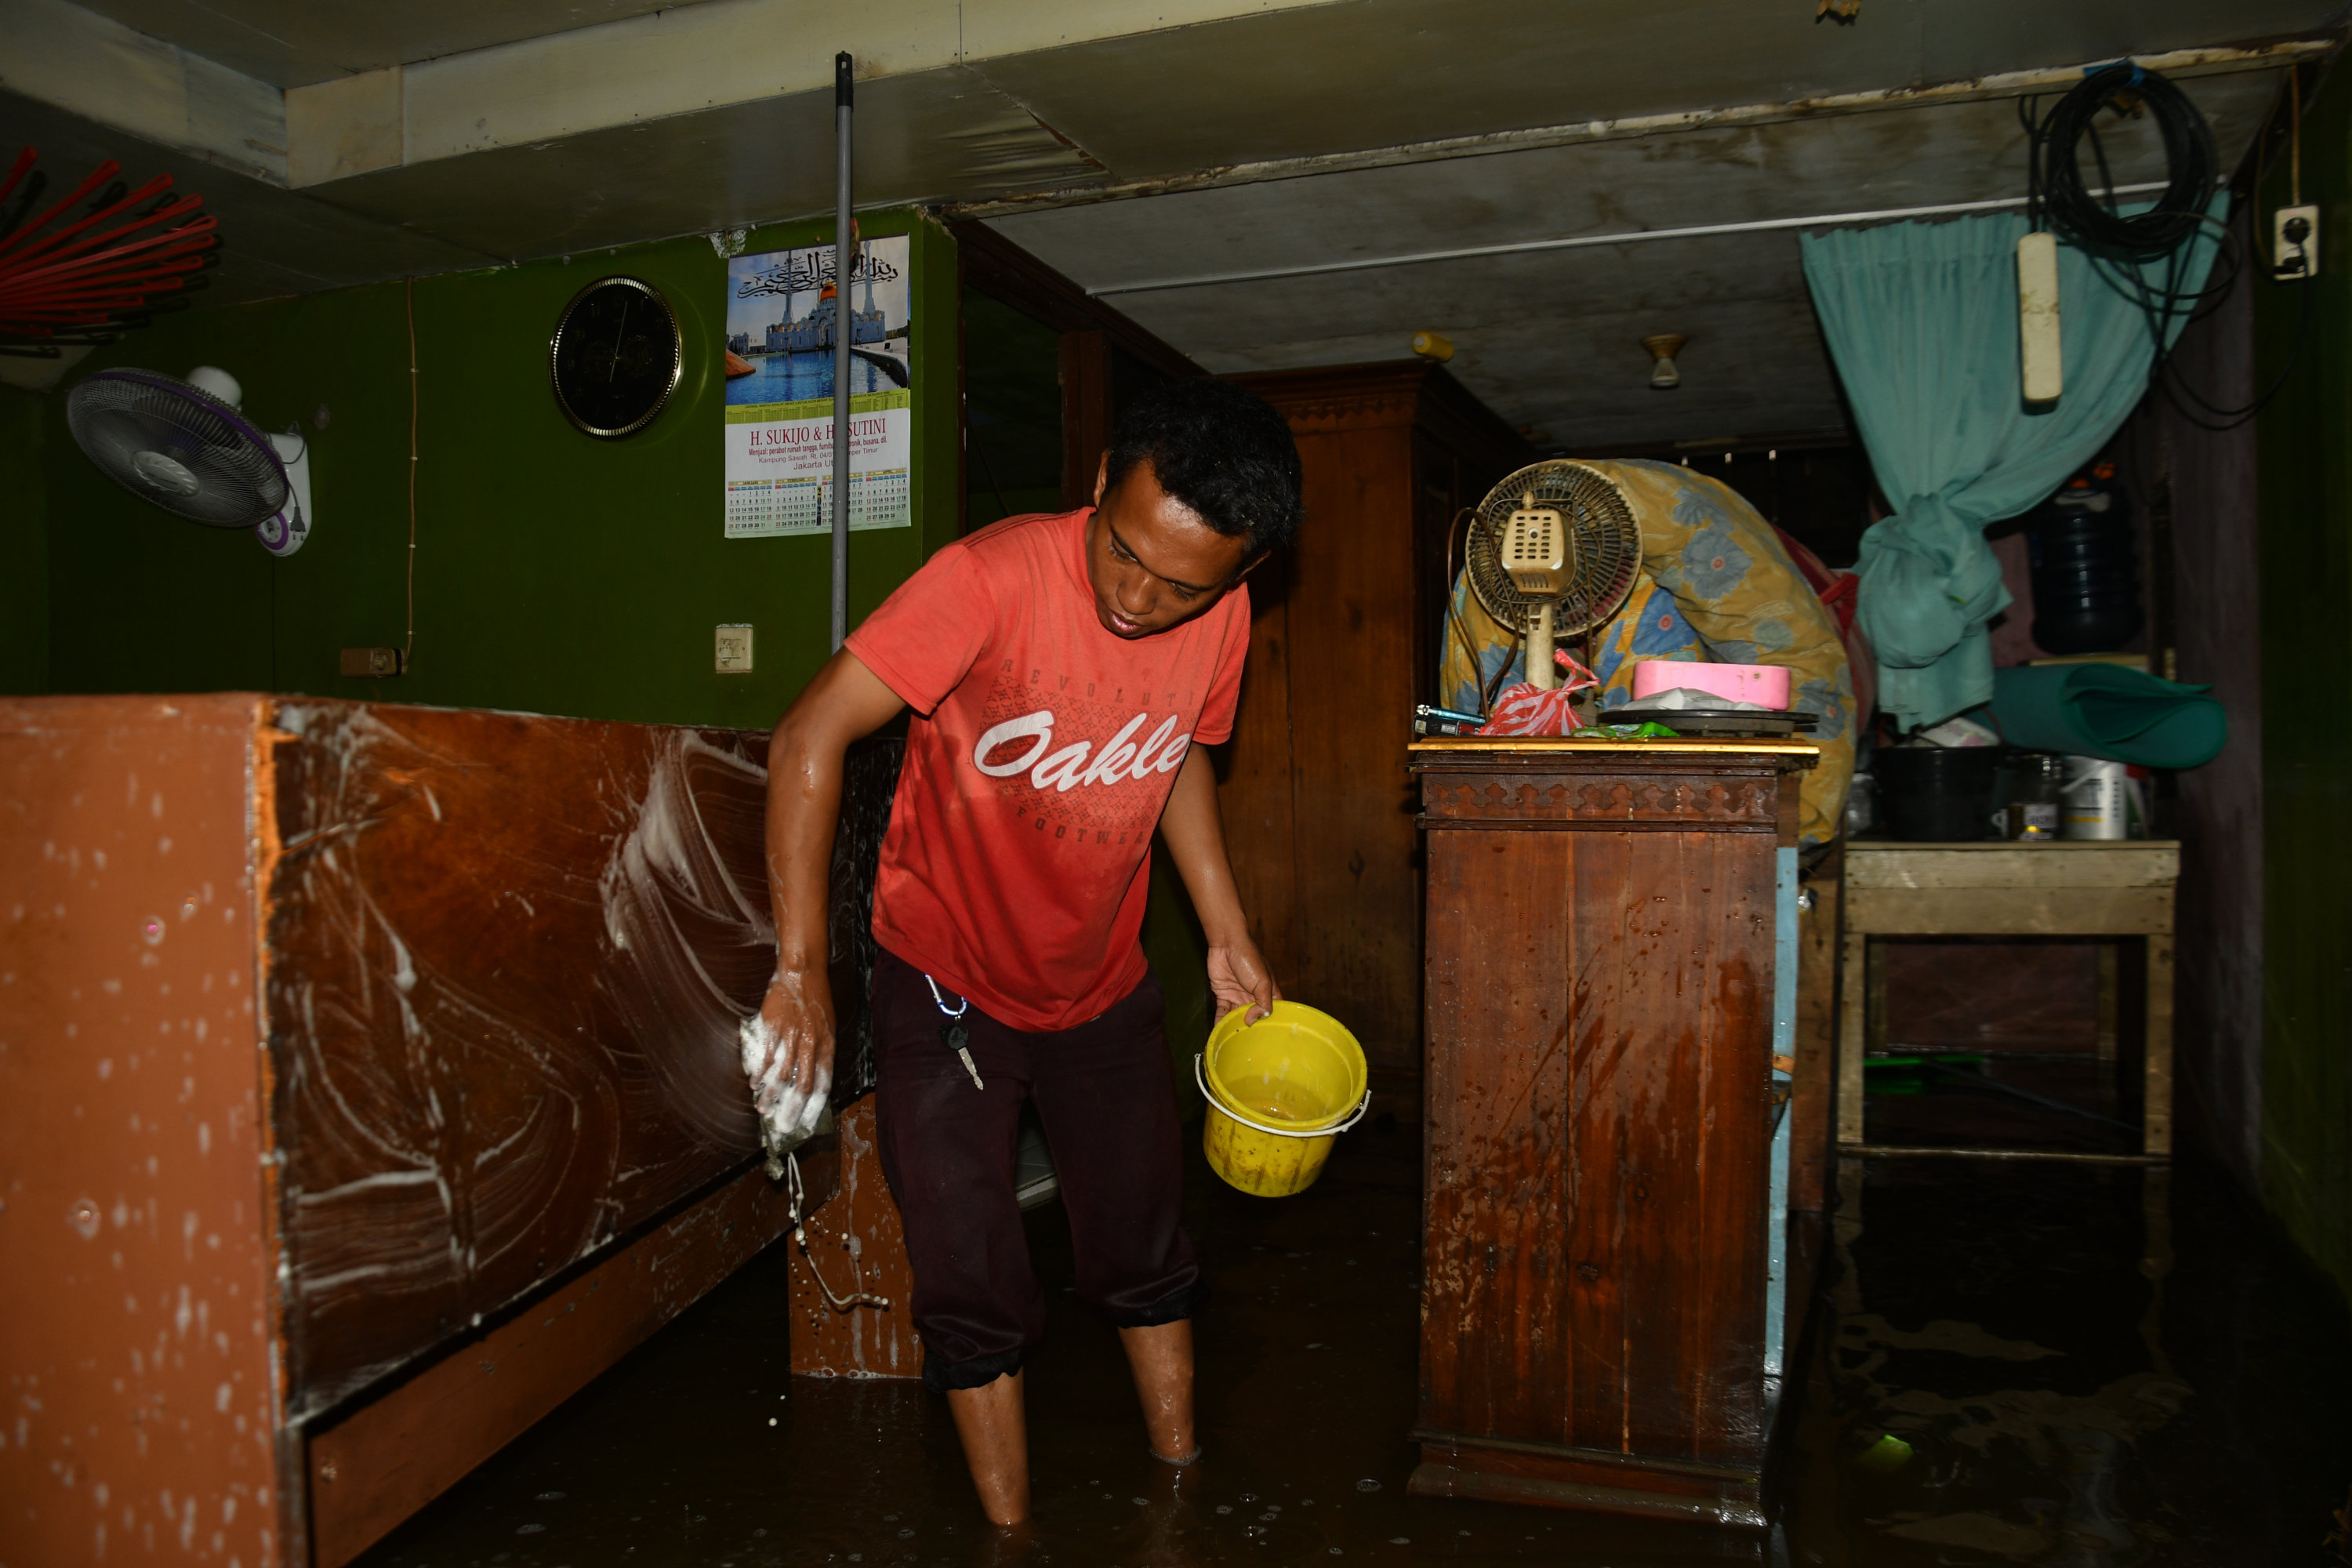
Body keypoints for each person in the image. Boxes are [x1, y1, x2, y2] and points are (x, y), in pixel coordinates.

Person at [745, 378, 1303, 1526]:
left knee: (1145, 1244)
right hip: (944, 977)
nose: (1140, 598)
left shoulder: (1221, 614)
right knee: (966, 1272)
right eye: (1124, 553)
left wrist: (1228, 935)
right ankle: (1008, 1536)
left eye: (1183, 585)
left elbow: (1183, 752)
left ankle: (1182, 1492)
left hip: (1100, 982)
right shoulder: (988, 578)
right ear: (1100, 486)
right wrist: (802, 971)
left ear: (1241, 576)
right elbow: (811, 732)